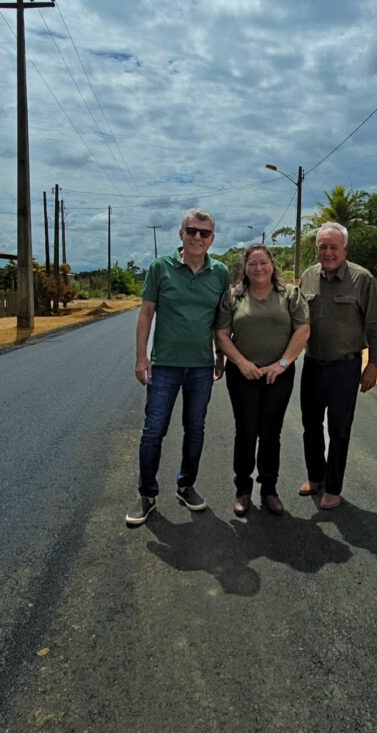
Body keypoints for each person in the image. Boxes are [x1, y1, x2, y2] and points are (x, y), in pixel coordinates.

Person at [125, 209, 229, 526]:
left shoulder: (220, 272)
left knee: (195, 429)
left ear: (212, 239)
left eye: (204, 233)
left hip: (201, 366)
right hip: (165, 365)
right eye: (192, 231)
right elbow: (146, 314)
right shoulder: (161, 268)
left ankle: (185, 486)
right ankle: (147, 495)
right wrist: (141, 357)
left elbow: (222, 320)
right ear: (181, 234)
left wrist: (220, 356)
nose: (198, 237)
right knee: (154, 430)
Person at [215, 244, 310, 516]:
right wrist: (242, 363)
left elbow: (303, 329)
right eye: (252, 263)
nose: (258, 268)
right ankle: (242, 490)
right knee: (245, 431)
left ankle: (269, 489)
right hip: (242, 374)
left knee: (271, 432)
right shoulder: (233, 297)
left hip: (277, 376)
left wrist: (281, 365)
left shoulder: (289, 294)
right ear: (245, 268)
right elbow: (221, 333)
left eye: (263, 262)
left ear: (272, 265)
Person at [298, 222, 377, 510]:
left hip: (345, 368)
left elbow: (375, 324)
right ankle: (315, 476)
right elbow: (297, 320)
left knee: (339, 429)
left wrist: (373, 363)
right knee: (310, 426)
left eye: (334, 247)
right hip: (312, 363)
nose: (328, 252)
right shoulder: (308, 277)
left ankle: (333, 488)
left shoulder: (362, 279)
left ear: (345, 249)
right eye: (323, 247)